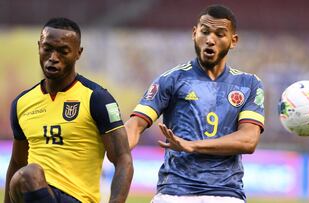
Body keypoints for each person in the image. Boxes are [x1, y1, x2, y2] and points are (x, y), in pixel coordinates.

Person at [125, 4, 265, 203]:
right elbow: (134, 126)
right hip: (174, 193)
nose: (210, 40)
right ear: (194, 33)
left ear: (233, 41)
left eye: (219, 34)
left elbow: (248, 140)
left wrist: (192, 146)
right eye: (205, 32)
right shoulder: (171, 79)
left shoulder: (248, 84)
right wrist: (114, 149)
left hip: (226, 194)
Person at [4, 18, 133, 203]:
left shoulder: (97, 98)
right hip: (37, 191)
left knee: (29, 174)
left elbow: (123, 160)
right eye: (47, 49)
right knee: (28, 175)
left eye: (63, 51)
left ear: (78, 53)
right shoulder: (22, 103)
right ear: (39, 46)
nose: (53, 58)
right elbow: (17, 163)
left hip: (78, 199)